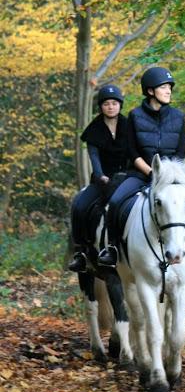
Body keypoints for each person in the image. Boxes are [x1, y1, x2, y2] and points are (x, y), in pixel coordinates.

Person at [97, 66, 185, 271]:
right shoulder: (135, 116)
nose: (168, 91)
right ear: (150, 91)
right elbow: (133, 152)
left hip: (173, 177)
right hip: (141, 173)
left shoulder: (178, 117)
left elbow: (180, 154)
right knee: (116, 202)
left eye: (169, 88)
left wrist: (170, 175)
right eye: (164, 87)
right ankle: (113, 249)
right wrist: (152, 173)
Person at [68, 84, 129, 272]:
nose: (110, 107)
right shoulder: (94, 129)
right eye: (106, 104)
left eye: (114, 103)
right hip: (102, 180)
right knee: (79, 206)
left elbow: (134, 152)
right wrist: (100, 175)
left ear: (120, 105)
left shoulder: (129, 126)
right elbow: (93, 155)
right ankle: (82, 252)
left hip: (127, 178)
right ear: (101, 107)